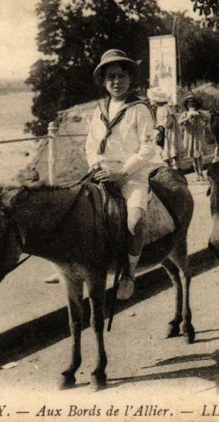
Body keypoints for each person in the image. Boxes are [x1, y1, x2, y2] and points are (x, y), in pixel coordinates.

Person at [86, 49, 159, 300]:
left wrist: (121, 172)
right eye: (110, 77)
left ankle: (129, 272)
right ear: (104, 82)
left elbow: (148, 148)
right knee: (76, 212)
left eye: (121, 75)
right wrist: (96, 165)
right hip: (101, 171)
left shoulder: (140, 109)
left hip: (131, 174)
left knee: (134, 221)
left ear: (130, 78)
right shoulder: (99, 109)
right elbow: (90, 144)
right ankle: (76, 265)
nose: (116, 82)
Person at [179, 95, 209, 182]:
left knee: (199, 155)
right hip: (189, 136)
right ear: (187, 106)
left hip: (198, 136)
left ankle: (201, 173)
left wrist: (203, 126)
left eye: (193, 104)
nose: (191, 106)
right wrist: (188, 118)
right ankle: (197, 173)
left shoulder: (199, 113)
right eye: (190, 105)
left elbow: (207, 120)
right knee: (193, 156)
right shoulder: (185, 114)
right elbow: (179, 122)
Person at [154, 93, 182, 169]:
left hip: (169, 132)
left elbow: (168, 122)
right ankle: (168, 165)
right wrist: (158, 126)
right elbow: (158, 121)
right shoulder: (159, 108)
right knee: (163, 148)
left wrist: (161, 126)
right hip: (163, 131)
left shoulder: (166, 108)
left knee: (170, 148)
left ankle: (174, 166)